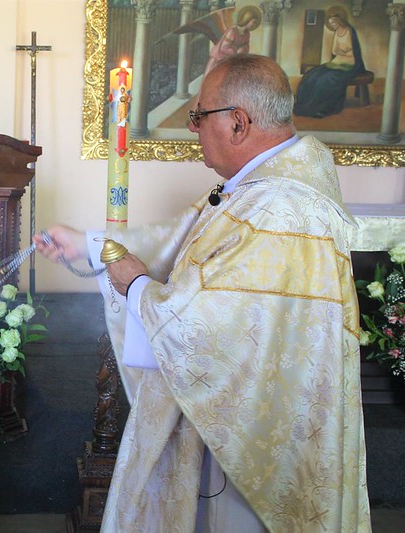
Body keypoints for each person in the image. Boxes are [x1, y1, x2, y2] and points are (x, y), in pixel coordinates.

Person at [34, 54, 370, 532]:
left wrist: (135, 285)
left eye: (198, 116)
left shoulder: (281, 208)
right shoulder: (256, 190)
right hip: (230, 416)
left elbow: (206, 327)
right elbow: (182, 241)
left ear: (238, 122)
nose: (193, 128)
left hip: (250, 445)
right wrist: (92, 246)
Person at [294, 9, 364, 118]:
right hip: (338, 61)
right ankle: (304, 103)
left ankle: (322, 107)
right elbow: (334, 51)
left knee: (327, 78)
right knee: (313, 74)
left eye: (334, 23)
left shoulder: (349, 31)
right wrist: (341, 52)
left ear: (340, 21)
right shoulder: (336, 33)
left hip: (350, 63)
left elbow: (353, 50)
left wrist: (345, 52)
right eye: (331, 24)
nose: (332, 25)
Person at [203, 6, 261, 78]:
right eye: (253, 22)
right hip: (219, 60)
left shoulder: (246, 34)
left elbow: (246, 47)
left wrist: (243, 51)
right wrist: (236, 52)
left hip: (231, 61)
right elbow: (223, 48)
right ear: (247, 19)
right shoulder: (232, 31)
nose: (254, 25)